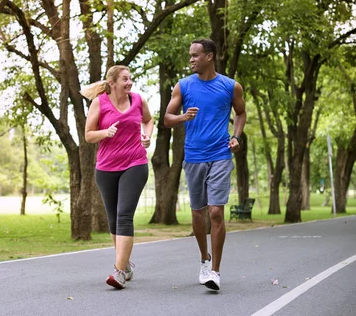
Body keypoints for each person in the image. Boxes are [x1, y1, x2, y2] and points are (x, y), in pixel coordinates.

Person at [164, 39, 246, 291]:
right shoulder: (184, 86)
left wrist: (236, 137)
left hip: (221, 154)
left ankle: (215, 272)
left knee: (216, 212)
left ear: (209, 56)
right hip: (194, 156)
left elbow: (240, 114)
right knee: (198, 212)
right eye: (190, 55)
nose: (191, 60)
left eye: (195, 55)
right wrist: (183, 117)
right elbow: (167, 119)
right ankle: (204, 258)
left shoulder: (230, 86)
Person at [83, 65, 154, 289]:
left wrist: (147, 136)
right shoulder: (100, 103)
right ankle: (126, 264)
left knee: (124, 216)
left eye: (130, 78)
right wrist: (105, 133)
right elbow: (88, 135)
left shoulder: (138, 100)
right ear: (112, 83)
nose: (129, 82)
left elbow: (149, 120)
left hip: (135, 163)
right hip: (106, 168)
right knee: (113, 220)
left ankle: (119, 271)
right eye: (125, 79)